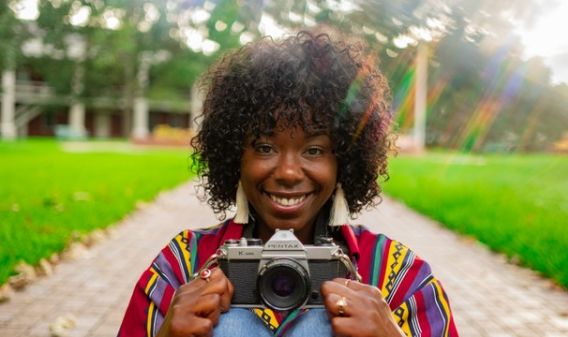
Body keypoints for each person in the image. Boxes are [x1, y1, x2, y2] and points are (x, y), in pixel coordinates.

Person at [118, 29, 458, 337]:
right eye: (265, 148)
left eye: (314, 149)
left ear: (345, 159)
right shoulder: (182, 267)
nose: (288, 172)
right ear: (235, 155)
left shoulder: (396, 278)